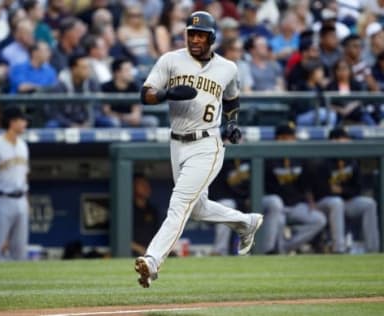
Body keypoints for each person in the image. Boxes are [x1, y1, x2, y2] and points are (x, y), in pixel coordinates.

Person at [135, 11, 263, 288]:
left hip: (208, 144)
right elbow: (144, 95)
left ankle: (152, 260)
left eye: (201, 35)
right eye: (191, 33)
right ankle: (246, 222)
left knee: (179, 204)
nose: (195, 39)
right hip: (176, 142)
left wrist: (231, 125)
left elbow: (231, 100)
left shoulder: (227, 67)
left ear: (212, 38)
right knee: (197, 207)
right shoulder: (170, 60)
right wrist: (165, 94)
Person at [313, 127, 380, 253]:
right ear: (332, 141)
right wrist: (340, 192)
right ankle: (339, 248)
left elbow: (357, 188)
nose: (345, 141)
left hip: (347, 200)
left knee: (369, 204)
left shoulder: (351, 160)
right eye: (340, 139)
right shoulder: (322, 160)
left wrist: (342, 190)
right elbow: (321, 190)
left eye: (345, 138)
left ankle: (373, 249)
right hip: (325, 203)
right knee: (336, 202)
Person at [264, 122, 327, 254]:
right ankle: (271, 253)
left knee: (319, 219)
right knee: (279, 222)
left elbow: (306, 183)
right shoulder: (267, 157)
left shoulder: (299, 157)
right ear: (278, 139)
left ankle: (286, 248)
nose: (291, 140)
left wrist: (310, 200)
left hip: (295, 205)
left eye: (292, 137)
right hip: (276, 209)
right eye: (287, 137)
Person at [0, 106, 30, 261]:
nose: (25, 123)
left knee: (20, 248)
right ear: (12, 122)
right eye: (22, 120)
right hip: (1, 199)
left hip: (21, 199)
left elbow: (25, 176)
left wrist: (27, 201)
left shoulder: (23, 145)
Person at [97, 58, 158, 127]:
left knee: (151, 121)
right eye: (127, 70)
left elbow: (136, 111)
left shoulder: (134, 86)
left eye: (130, 70)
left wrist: (134, 117)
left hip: (131, 119)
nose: (130, 73)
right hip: (116, 119)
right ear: (117, 73)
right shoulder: (106, 87)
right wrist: (124, 117)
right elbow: (106, 111)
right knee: (113, 122)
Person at [132, 174, 160, 257]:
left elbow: (158, 234)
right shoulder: (125, 211)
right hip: (134, 251)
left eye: (147, 185)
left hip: (152, 250)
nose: (146, 188)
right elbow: (121, 239)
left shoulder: (152, 210)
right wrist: (140, 249)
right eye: (142, 185)